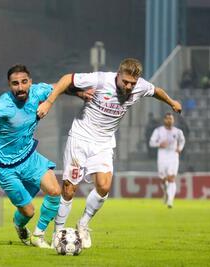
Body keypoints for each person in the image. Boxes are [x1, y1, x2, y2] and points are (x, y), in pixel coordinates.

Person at [37, 58, 182, 248]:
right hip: (81, 137)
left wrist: (172, 102)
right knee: (69, 187)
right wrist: (48, 102)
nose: (129, 86)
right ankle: (59, 231)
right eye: (125, 82)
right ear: (118, 75)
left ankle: (83, 224)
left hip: (104, 142)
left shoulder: (141, 86)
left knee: (104, 187)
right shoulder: (100, 79)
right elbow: (66, 79)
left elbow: (157, 91)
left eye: (133, 83)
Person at [0, 64, 91, 248]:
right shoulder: (4, 104)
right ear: (9, 85)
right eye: (15, 83)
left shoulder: (37, 92)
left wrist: (80, 94)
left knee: (55, 192)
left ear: (30, 82)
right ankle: (19, 224)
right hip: (5, 167)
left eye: (24, 82)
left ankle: (38, 235)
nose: (20, 87)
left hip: (29, 157)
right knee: (28, 211)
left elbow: (60, 87)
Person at [149, 113, 185, 209]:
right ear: (164, 120)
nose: (169, 120)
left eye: (171, 119)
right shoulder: (158, 131)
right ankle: (166, 192)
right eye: (167, 119)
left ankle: (170, 201)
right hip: (162, 156)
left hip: (173, 156)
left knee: (171, 178)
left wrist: (180, 148)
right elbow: (151, 142)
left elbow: (182, 141)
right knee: (163, 179)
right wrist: (159, 144)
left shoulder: (178, 132)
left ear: (173, 120)